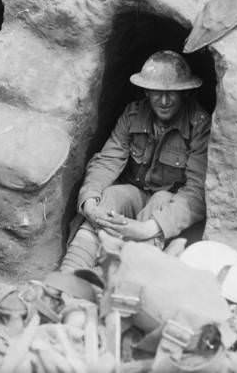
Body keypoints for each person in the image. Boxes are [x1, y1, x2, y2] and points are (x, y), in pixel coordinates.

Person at [60, 50, 210, 271]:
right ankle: (69, 277)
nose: (165, 101)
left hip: (168, 209)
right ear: (146, 91)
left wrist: (150, 228)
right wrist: (90, 201)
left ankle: (119, 278)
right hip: (136, 196)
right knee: (113, 195)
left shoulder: (199, 124)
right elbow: (107, 161)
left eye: (173, 93)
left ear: (185, 93)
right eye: (157, 92)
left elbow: (196, 191)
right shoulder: (133, 114)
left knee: (160, 199)